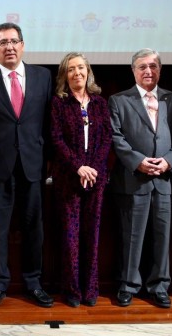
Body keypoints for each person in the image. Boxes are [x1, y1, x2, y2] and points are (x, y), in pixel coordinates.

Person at [0, 23, 54, 309]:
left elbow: (48, 123)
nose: (9, 47)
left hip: (33, 165)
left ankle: (33, 282)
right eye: (2, 42)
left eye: (14, 41)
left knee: (34, 228)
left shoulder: (43, 77)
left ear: (23, 44)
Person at [108, 48, 172, 309]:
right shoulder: (119, 100)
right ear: (133, 71)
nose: (148, 71)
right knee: (132, 236)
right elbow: (115, 137)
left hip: (164, 179)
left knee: (162, 235)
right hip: (134, 179)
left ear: (160, 70)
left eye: (153, 66)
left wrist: (169, 160)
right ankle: (129, 285)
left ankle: (159, 286)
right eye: (142, 67)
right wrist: (138, 161)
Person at [50, 52, 112, 308]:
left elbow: (107, 138)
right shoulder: (58, 103)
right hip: (68, 180)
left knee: (92, 236)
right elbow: (56, 139)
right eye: (71, 69)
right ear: (65, 74)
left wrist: (93, 169)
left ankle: (90, 288)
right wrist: (79, 167)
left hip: (95, 180)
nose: (77, 73)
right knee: (71, 237)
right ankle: (72, 290)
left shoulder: (100, 103)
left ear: (88, 72)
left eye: (81, 68)